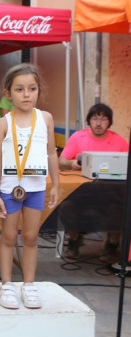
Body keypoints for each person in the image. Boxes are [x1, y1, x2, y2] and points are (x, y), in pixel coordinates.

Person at [0, 63, 59, 310]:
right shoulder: (3, 123)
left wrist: (55, 185)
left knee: (31, 236)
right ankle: (6, 285)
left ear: (39, 90)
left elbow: (51, 153)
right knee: (8, 236)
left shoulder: (46, 119)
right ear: (9, 93)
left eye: (31, 88)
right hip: (10, 188)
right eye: (19, 89)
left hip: (36, 188)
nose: (26, 94)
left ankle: (29, 284)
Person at [59, 103, 128, 260]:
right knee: (66, 207)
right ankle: (74, 240)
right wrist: (72, 164)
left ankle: (112, 245)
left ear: (109, 122)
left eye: (103, 119)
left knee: (120, 210)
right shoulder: (78, 137)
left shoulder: (119, 142)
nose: (98, 123)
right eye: (95, 119)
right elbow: (61, 161)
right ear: (89, 120)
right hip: (82, 193)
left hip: (112, 194)